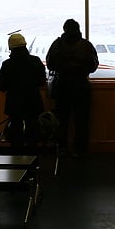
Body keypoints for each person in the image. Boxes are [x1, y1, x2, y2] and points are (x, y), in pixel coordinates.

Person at [46, 19, 98, 158]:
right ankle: (80, 149)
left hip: (62, 86)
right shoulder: (86, 45)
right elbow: (93, 66)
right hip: (81, 86)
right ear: (78, 29)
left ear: (64, 29)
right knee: (82, 120)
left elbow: (50, 64)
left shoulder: (57, 44)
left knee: (61, 120)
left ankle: (62, 148)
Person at [0, 33, 46, 152]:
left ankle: (17, 157)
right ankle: (33, 157)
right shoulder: (35, 61)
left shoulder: (7, 64)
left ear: (11, 48)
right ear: (25, 45)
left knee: (16, 132)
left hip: (14, 104)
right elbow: (42, 82)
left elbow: (1, 86)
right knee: (33, 131)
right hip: (33, 102)